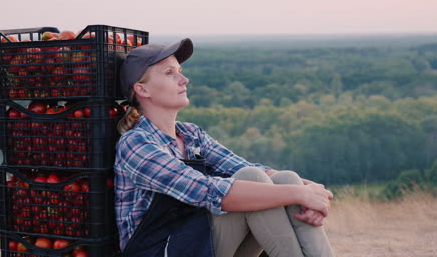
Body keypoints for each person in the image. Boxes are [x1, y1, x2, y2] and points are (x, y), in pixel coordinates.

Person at [114, 38, 335, 257]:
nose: (184, 79)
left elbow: (246, 167)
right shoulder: (136, 144)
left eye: (180, 71)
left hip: (199, 243)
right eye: (170, 73)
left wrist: (313, 190)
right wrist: (300, 195)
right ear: (142, 90)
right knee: (255, 180)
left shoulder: (191, 135)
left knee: (284, 179)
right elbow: (207, 191)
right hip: (163, 250)